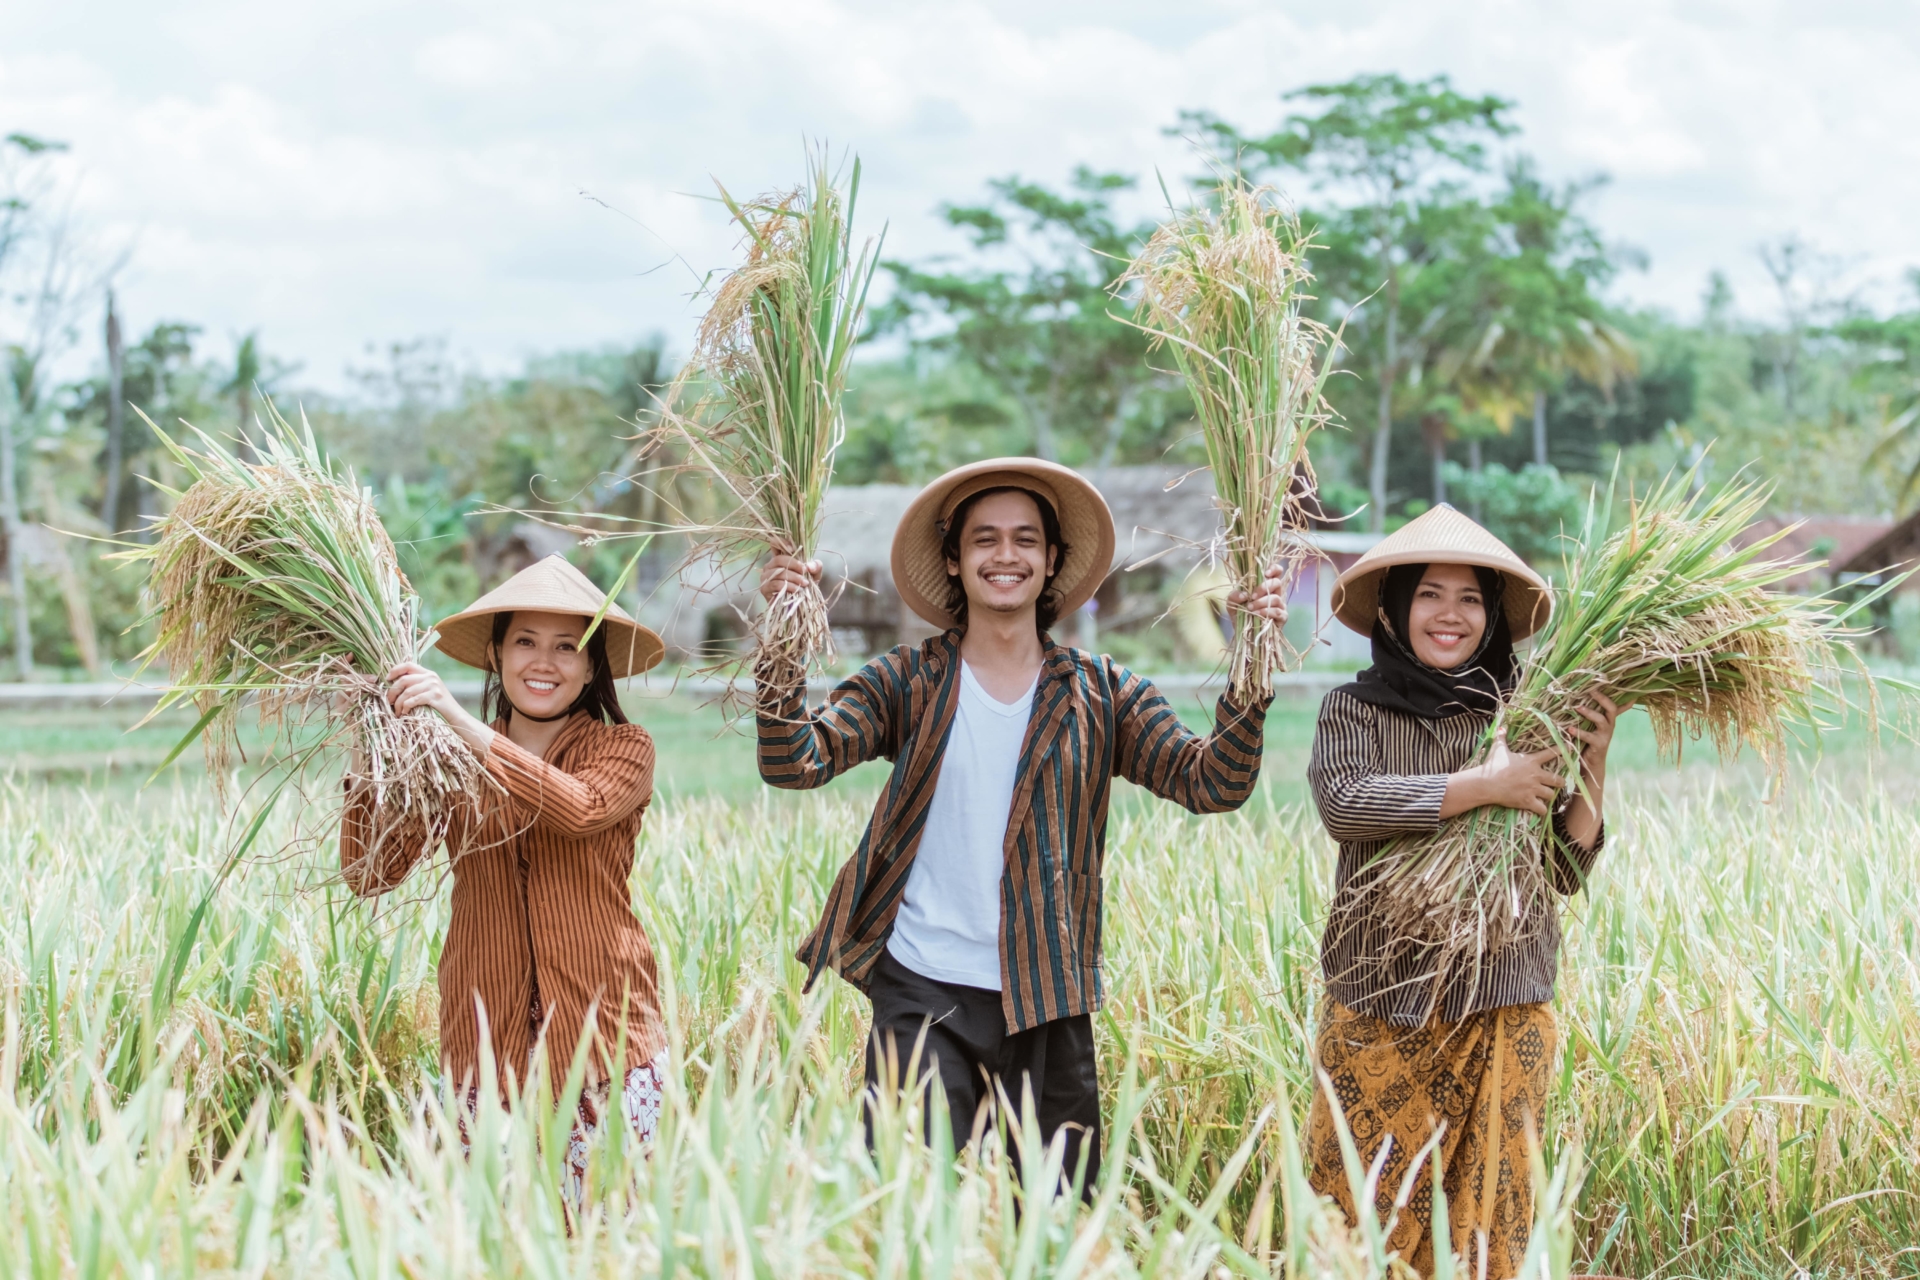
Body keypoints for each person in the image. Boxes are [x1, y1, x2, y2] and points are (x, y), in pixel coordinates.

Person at [754, 457, 1290, 1194]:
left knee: (1055, 1218)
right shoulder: (908, 680)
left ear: (1051, 563)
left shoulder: (1103, 693)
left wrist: (1252, 666)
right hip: (921, 988)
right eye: (985, 540)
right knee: (909, 1209)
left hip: (1045, 993)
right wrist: (781, 643)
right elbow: (795, 763)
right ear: (954, 560)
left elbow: (1214, 784)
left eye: (1025, 540)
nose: (1006, 556)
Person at [1303, 505, 1617, 1278]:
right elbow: (1346, 806)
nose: (1451, 615)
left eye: (1471, 598)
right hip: (1382, 1005)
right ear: (1393, 609)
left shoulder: (1528, 715)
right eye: (1430, 595)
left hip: (1505, 1007)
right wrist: (1485, 784)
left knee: (1488, 1237)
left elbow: (1561, 875)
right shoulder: (1355, 710)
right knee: (1355, 1225)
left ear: (1493, 618)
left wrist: (1595, 763)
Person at [338, 554, 670, 1189]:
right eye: (524, 641)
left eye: (567, 647)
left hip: (609, 1047)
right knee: (495, 1239)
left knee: (610, 1241)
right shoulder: (448, 765)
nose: (543, 662)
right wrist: (368, 741)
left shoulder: (624, 749)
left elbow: (581, 809)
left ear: (592, 665)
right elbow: (370, 872)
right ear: (495, 654)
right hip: (485, 1054)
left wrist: (459, 723)